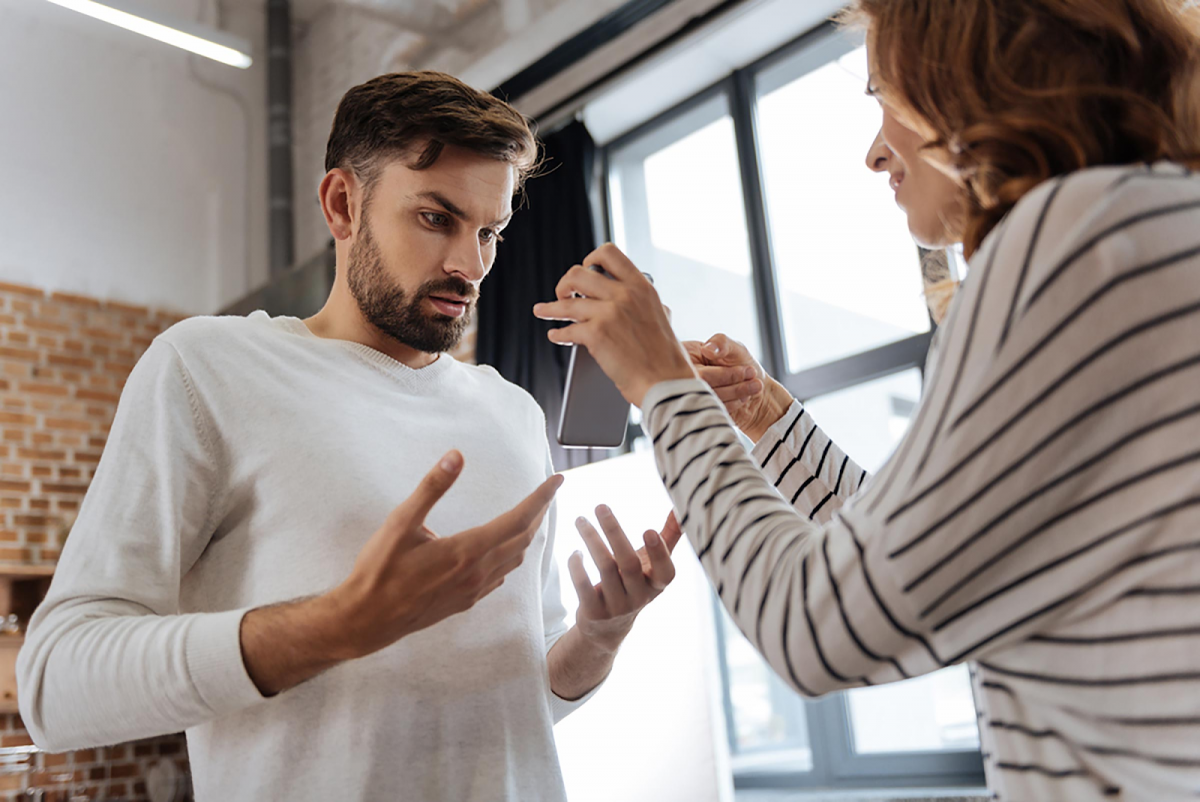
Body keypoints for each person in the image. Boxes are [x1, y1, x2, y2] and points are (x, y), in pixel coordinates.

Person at [535, 0, 1200, 798]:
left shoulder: (1065, 243)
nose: (875, 152)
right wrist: (768, 422)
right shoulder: (1146, 234)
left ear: (966, 82)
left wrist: (663, 386)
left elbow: (816, 626)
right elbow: (932, 555)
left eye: (883, 92)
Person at [19, 71, 680, 802]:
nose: (470, 266)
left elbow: (530, 699)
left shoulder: (514, 413)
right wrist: (339, 625)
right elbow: (54, 683)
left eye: (489, 232)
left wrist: (597, 638)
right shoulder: (207, 369)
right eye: (436, 218)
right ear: (342, 204)